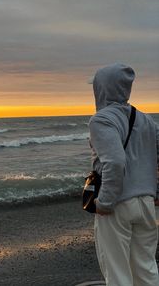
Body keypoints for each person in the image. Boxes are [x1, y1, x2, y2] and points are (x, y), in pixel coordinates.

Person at [88, 63, 159, 286]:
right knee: (146, 268)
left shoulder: (101, 120)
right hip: (146, 202)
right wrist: (156, 191)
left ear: (102, 88)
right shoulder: (147, 119)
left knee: (117, 272)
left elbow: (115, 162)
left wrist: (105, 202)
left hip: (117, 205)